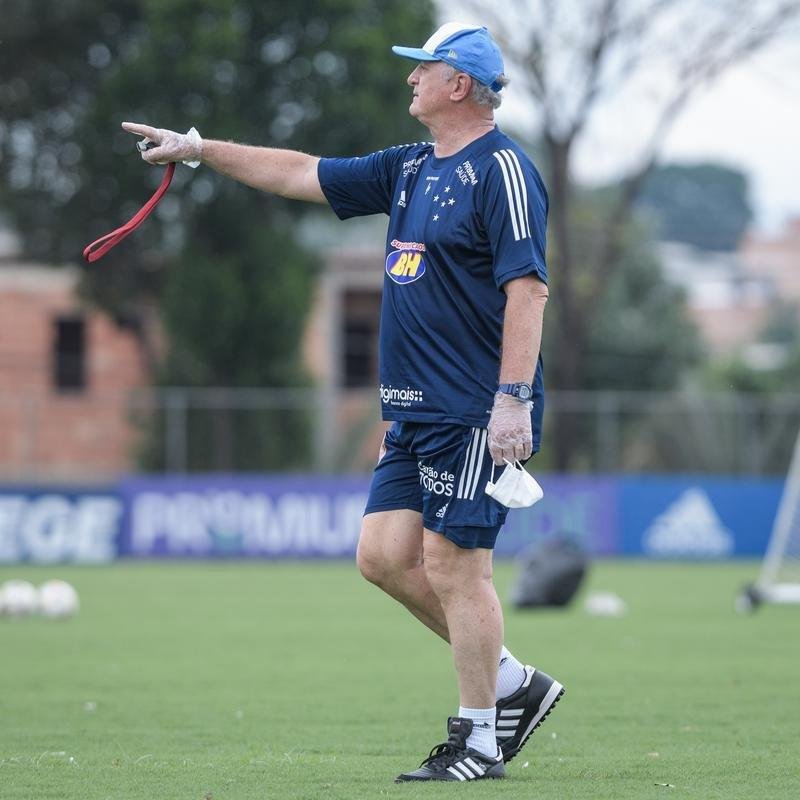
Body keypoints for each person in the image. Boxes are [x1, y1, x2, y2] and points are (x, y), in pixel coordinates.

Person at [122, 21, 563, 783]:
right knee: (384, 558)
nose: (409, 79)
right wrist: (200, 150)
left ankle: (480, 741)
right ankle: (516, 682)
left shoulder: (505, 171)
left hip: (473, 411)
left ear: (459, 83)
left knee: (457, 568)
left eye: (421, 68)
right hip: (414, 413)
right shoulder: (410, 167)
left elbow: (528, 288)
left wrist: (513, 400)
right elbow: (300, 173)